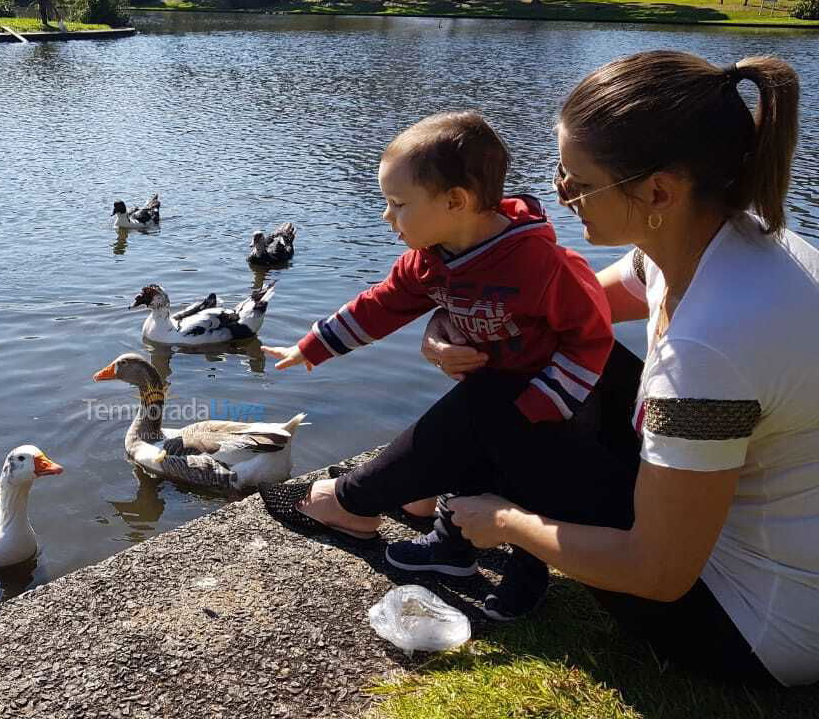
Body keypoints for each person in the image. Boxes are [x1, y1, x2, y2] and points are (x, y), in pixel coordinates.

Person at [403, 51, 816, 686]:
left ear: (658, 190)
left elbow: (657, 572)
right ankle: (427, 487)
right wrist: (446, 331)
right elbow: (557, 313)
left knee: (507, 402)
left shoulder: (712, 346)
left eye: (578, 182)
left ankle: (393, 504)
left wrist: (507, 522)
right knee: (539, 366)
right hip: (761, 542)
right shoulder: (720, 238)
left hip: (756, 628)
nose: (559, 197)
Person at [261, 110, 617, 621]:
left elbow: (590, 338)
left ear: (456, 202)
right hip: (492, 394)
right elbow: (383, 303)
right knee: (469, 462)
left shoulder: (538, 265)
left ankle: (529, 571)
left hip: (555, 398)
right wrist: (316, 344)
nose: (388, 217)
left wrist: (546, 401)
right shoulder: (430, 257)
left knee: (528, 487)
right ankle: (450, 551)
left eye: (399, 204)